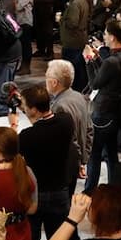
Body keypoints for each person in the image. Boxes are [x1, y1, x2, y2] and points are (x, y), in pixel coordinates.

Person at [16, 85, 75, 240]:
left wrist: (13, 125)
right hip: (60, 191)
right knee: (59, 236)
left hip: (35, 194)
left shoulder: (26, 137)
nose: (23, 109)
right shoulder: (66, 122)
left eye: (25, 106)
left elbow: (14, 156)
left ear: (33, 109)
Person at [81, 19, 121, 192]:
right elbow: (108, 74)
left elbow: (95, 82)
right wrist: (98, 58)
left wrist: (89, 60)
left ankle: (89, 190)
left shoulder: (113, 61)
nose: (104, 36)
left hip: (104, 111)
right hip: (118, 110)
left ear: (112, 37)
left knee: (94, 153)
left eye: (105, 33)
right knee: (111, 151)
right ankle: (113, 185)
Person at [44, 59, 91, 195]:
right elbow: (89, 130)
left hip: (63, 165)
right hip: (75, 161)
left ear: (54, 82)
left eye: (47, 77)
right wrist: (83, 161)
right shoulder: (79, 97)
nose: (45, 80)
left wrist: (78, 163)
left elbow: (71, 139)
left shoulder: (60, 106)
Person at [59, 0, 90, 92]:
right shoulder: (81, 0)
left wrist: (61, 20)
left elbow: (73, 22)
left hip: (72, 40)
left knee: (72, 68)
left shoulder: (75, 3)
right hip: (78, 39)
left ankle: (73, 90)